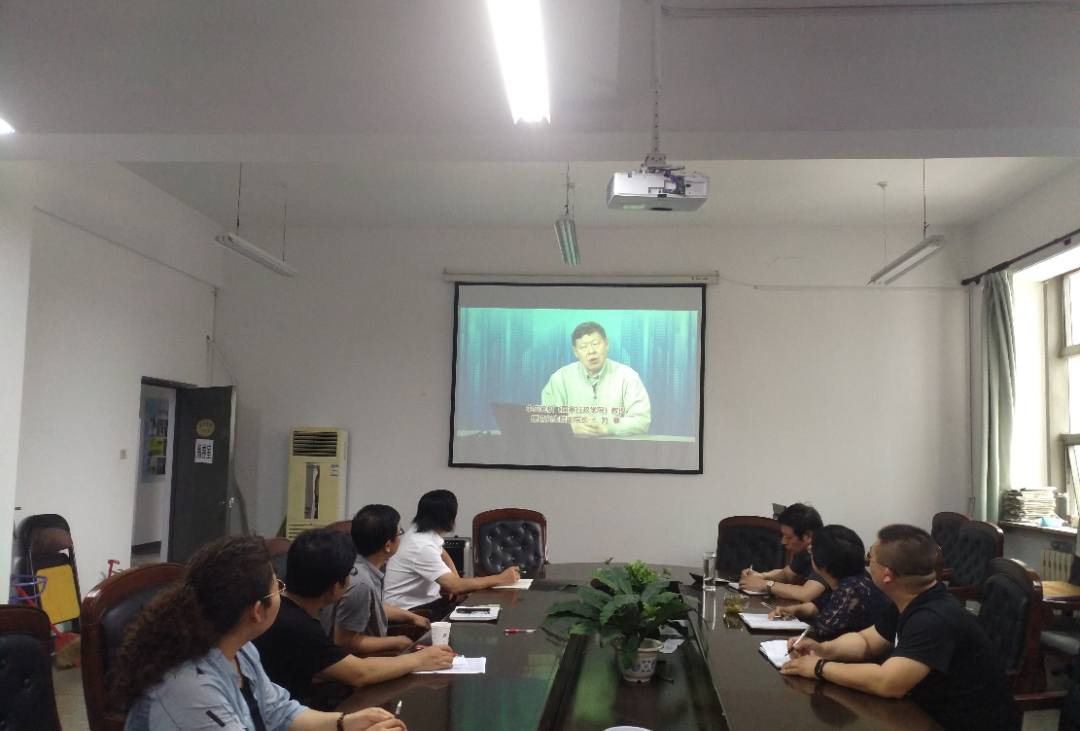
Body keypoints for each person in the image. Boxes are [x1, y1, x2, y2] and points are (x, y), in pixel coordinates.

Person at [111, 535, 405, 731]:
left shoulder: (240, 649)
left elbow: (278, 711)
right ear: (256, 611)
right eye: (277, 587)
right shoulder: (189, 689)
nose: (282, 592)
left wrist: (344, 723)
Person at [780, 524, 1021, 731]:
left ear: (887, 575)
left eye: (871, 558)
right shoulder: (910, 600)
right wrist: (823, 649)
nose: (867, 563)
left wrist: (819, 667)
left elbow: (888, 683)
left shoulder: (933, 618)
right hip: (926, 710)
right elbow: (867, 641)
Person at [253, 529, 454, 703]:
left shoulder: (278, 609)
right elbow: (360, 673)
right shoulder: (300, 627)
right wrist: (419, 660)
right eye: (351, 572)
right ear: (336, 587)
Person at [384, 490, 520, 613]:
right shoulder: (422, 546)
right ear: (450, 518)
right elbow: (455, 587)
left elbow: (441, 552)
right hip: (412, 612)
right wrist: (500, 578)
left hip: (422, 605)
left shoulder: (419, 533)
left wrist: (455, 577)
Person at [333, 504, 431, 655]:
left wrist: (412, 617)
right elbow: (345, 641)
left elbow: (373, 606)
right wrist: (397, 642)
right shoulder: (361, 583)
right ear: (387, 545)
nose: (401, 537)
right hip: (357, 662)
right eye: (400, 533)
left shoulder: (361, 566)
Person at [767, 524, 888, 641]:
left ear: (823, 564)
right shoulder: (845, 577)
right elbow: (816, 607)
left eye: (812, 551)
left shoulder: (852, 587)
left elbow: (823, 632)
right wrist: (793, 610)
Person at [540, 321, 651, 437]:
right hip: (571, 447)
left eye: (595, 344)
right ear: (576, 352)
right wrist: (569, 427)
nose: (591, 351)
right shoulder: (560, 378)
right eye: (583, 347)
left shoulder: (628, 377)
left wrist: (607, 428)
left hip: (615, 447)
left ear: (606, 344)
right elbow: (544, 419)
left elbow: (641, 420)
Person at [740, 503, 828, 603]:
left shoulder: (826, 554)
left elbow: (806, 594)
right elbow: (786, 575)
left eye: (789, 537)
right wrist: (762, 576)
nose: (783, 541)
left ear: (808, 536)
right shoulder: (805, 551)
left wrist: (764, 584)